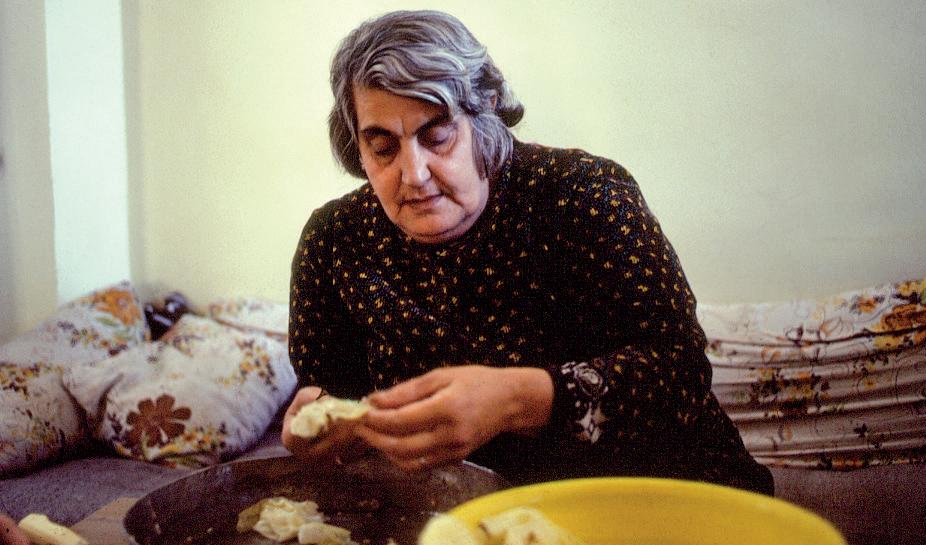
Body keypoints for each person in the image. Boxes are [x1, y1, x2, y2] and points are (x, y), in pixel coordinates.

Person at [283, 9, 773, 495]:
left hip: (662, 493)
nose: (414, 174)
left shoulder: (582, 194)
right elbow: (336, 398)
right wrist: (322, 422)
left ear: (486, 111)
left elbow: (679, 374)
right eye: (383, 147)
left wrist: (516, 400)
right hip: (469, 510)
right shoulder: (335, 242)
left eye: (437, 136)